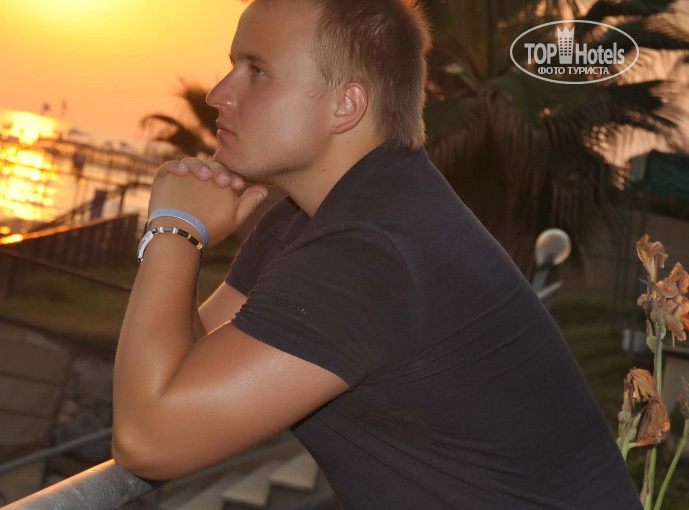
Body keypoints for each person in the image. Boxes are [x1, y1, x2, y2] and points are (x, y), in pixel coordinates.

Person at [112, 1, 642, 508]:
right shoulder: (316, 219)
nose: (219, 93)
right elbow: (188, 364)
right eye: (232, 66)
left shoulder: (373, 249)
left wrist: (175, 229)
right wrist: (185, 234)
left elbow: (149, 440)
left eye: (257, 71)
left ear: (346, 105)